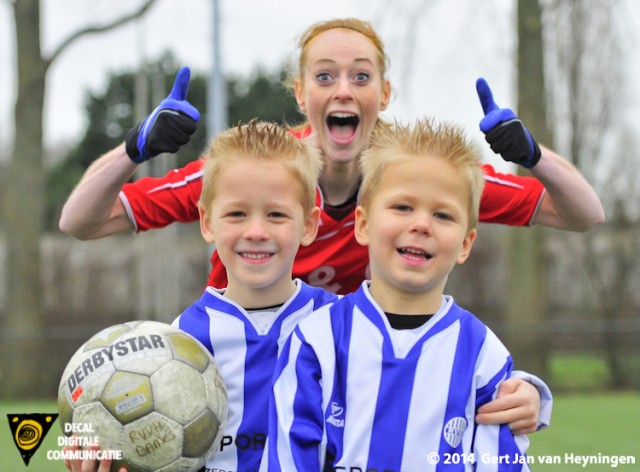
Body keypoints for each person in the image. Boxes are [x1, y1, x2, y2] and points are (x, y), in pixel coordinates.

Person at [59, 18, 588, 433]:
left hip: (349, 396)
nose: (343, 89)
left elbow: (583, 214)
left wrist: (532, 155)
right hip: (234, 387)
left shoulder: (415, 183)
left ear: (384, 94)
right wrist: (138, 147)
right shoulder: (256, 173)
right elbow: (81, 221)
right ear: (300, 92)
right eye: (325, 76)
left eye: (361, 76)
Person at [64, 121, 338, 472]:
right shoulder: (181, 340)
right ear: (207, 223)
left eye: (276, 215)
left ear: (310, 225)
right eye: (237, 214)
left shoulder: (336, 323)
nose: (256, 231)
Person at [262, 118, 533, 471]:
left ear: (465, 244)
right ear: (363, 224)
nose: (421, 224)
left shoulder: (484, 356)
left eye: (443, 214)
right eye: (403, 207)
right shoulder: (317, 340)